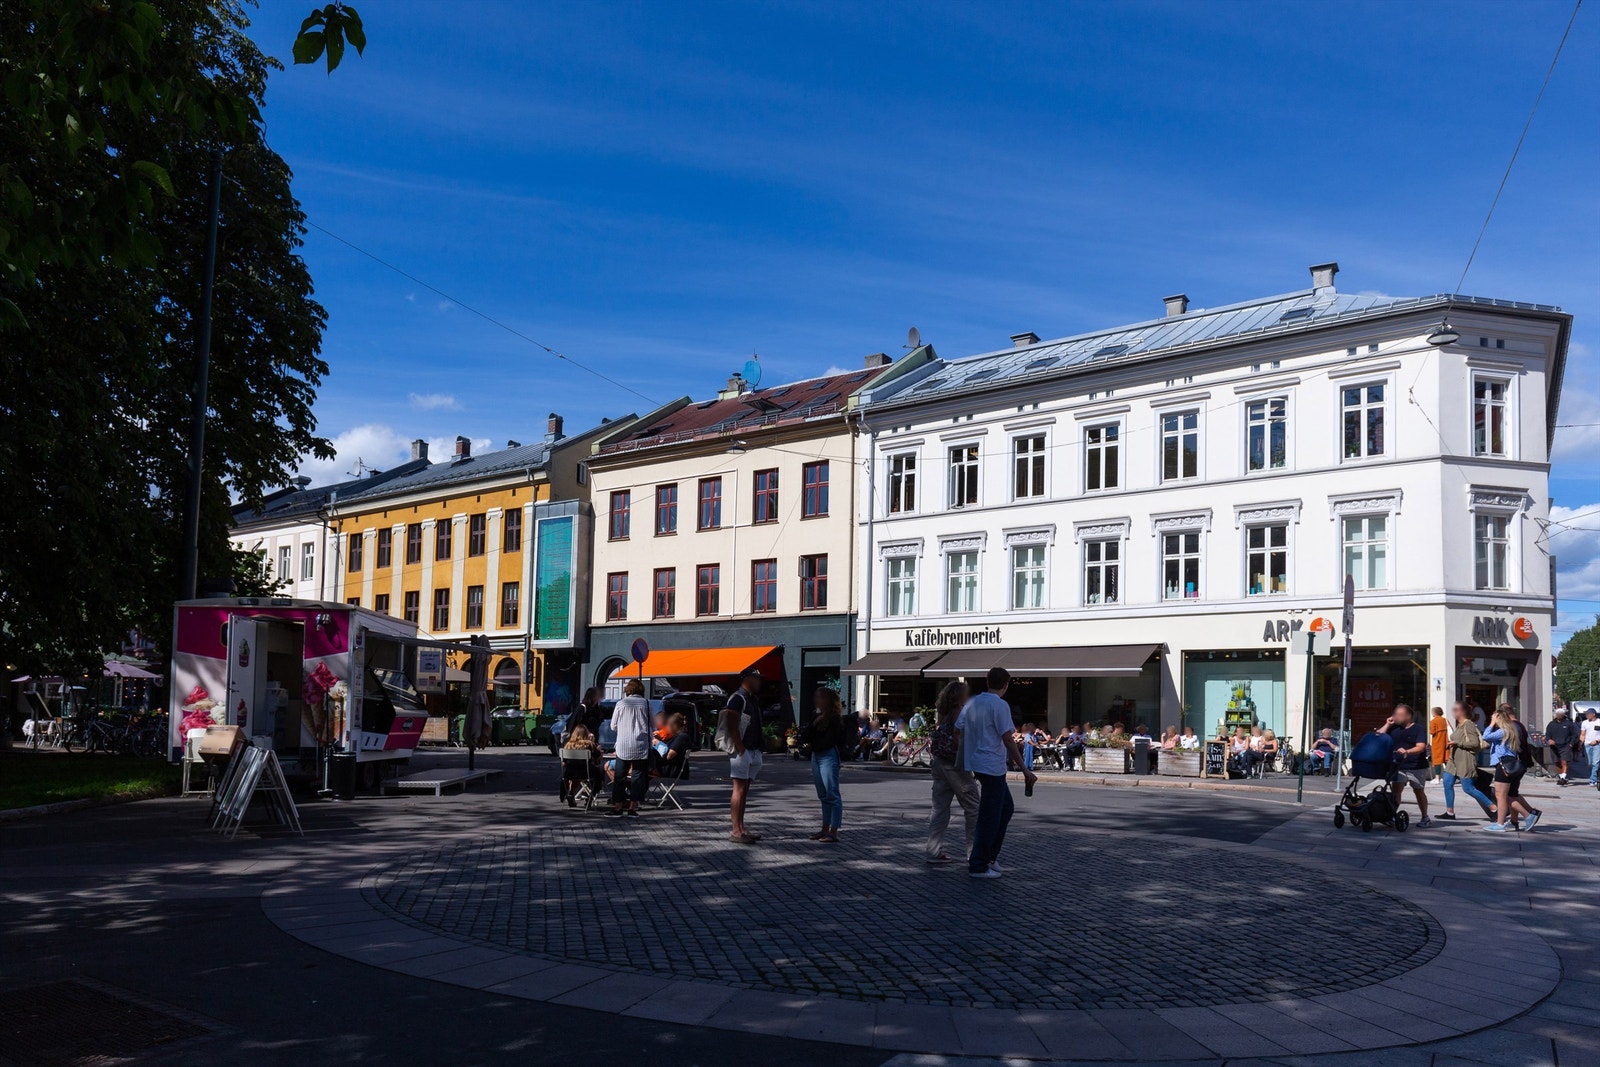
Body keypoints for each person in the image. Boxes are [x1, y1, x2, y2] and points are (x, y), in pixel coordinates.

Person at [958, 668, 1035, 879]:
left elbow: (959, 727)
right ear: (1006, 684)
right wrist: (1024, 767)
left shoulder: (973, 702)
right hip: (992, 764)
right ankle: (979, 863)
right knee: (990, 815)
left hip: (978, 762)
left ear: (987, 680)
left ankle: (989, 857)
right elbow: (1008, 739)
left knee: (1004, 808)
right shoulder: (1000, 705)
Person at [926, 681, 980, 864]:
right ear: (960, 697)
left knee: (939, 808)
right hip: (955, 764)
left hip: (939, 762)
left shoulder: (944, 713)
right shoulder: (960, 713)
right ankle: (974, 853)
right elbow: (959, 737)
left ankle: (933, 851)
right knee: (973, 808)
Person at [799, 687, 847, 842]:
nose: (816, 700)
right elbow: (805, 735)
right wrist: (814, 724)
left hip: (828, 756)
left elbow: (832, 739)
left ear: (826, 700)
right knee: (823, 794)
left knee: (832, 793)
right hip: (816, 756)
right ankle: (824, 828)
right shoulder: (816, 715)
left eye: (819, 697)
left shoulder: (834, 718)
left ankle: (834, 830)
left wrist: (815, 744)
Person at [1483, 706, 1540, 833]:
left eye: (1495, 717)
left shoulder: (1504, 731)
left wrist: (1492, 723)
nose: (1493, 719)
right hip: (1509, 763)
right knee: (1506, 795)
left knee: (1501, 796)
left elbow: (1485, 736)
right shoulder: (1511, 729)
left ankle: (1527, 816)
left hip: (1503, 764)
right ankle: (1505, 822)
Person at [723, 669, 763, 844]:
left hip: (752, 749)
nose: (759, 681)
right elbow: (731, 724)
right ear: (746, 679)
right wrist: (741, 749)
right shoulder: (738, 698)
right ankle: (736, 830)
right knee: (738, 790)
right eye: (756, 678)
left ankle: (742, 827)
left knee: (744, 790)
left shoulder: (752, 698)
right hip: (742, 750)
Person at [1378, 704, 1431, 827]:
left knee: (1418, 791)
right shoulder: (1393, 728)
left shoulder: (1418, 728)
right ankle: (1392, 815)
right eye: (1395, 714)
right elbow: (1378, 736)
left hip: (1416, 766)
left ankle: (1425, 817)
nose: (1396, 717)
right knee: (1396, 790)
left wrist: (1407, 751)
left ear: (1408, 716)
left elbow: (1421, 747)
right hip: (1398, 765)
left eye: (1399, 715)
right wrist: (1387, 724)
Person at [1440, 701, 1494, 820]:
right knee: (1447, 782)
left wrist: (1457, 742)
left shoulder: (1468, 724)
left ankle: (1493, 808)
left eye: (1456, 709)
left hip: (1465, 760)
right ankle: (1450, 812)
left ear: (1463, 711)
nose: (1454, 711)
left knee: (1468, 788)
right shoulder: (1459, 724)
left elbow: (1474, 743)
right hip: (1453, 760)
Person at [606, 679, 651, 818]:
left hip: (623, 745)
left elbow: (613, 726)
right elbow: (652, 725)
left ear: (628, 690)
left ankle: (618, 807)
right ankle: (632, 808)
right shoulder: (646, 703)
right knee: (637, 777)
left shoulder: (621, 704)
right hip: (641, 745)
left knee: (620, 776)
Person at [1545, 706, 1578, 785]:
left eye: (1560, 714)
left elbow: (1574, 735)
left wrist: (1571, 744)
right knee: (1557, 762)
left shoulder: (1569, 724)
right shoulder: (1551, 724)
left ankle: (1563, 778)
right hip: (1554, 746)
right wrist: (1549, 739)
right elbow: (1547, 734)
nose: (1559, 715)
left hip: (1565, 746)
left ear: (1563, 715)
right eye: (1557, 714)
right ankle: (1560, 777)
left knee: (1564, 761)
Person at [1428, 706, 1449, 780]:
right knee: (1446, 759)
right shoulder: (1444, 720)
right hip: (1445, 741)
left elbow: (1432, 732)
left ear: (1434, 713)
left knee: (1437, 760)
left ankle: (1437, 777)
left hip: (1437, 742)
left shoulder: (1433, 721)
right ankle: (1449, 776)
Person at [1583, 708, 1600, 788]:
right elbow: (1582, 734)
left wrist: (1597, 741)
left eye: (1588, 714)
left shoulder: (1599, 722)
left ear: (1593, 714)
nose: (1587, 715)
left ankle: (1593, 780)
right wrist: (1580, 743)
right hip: (1587, 744)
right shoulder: (1584, 723)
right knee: (1589, 763)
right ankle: (1596, 774)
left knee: (1595, 763)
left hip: (1597, 744)